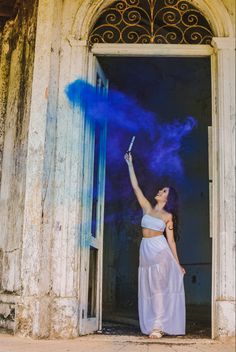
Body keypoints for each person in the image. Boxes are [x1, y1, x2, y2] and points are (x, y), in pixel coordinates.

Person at [124, 152, 186, 339]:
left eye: (164, 191)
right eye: (161, 189)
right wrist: (129, 164)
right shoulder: (147, 208)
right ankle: (153, 323)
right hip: (145, 251)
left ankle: (158, 326)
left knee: (158, 290)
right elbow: (135, 188)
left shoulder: (168, 217)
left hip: (160, 252)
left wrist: (177, 264)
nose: (160, 191)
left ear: (169, 198)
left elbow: (171, 241)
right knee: (149, 289)